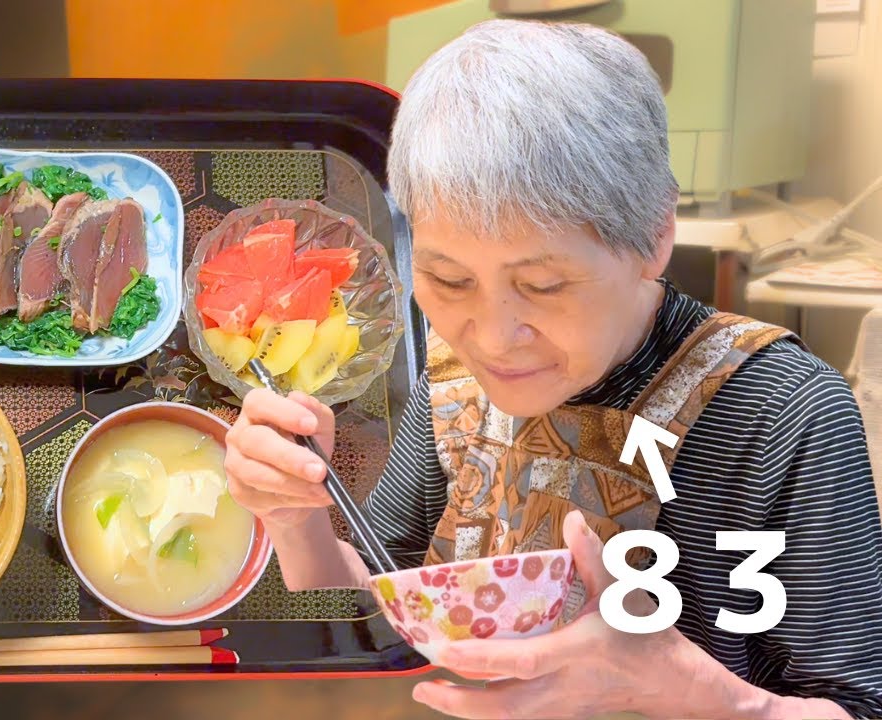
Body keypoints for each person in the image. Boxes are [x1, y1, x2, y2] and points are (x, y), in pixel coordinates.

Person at [223, 19, 882, 720]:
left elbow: (858, 705)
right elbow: (374, 610)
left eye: (542, 286)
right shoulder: (452, 380)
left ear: (656, 235)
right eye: (448, 280)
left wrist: (710, 699)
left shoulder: (783, 411)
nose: (494, 337)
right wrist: (296, 520)